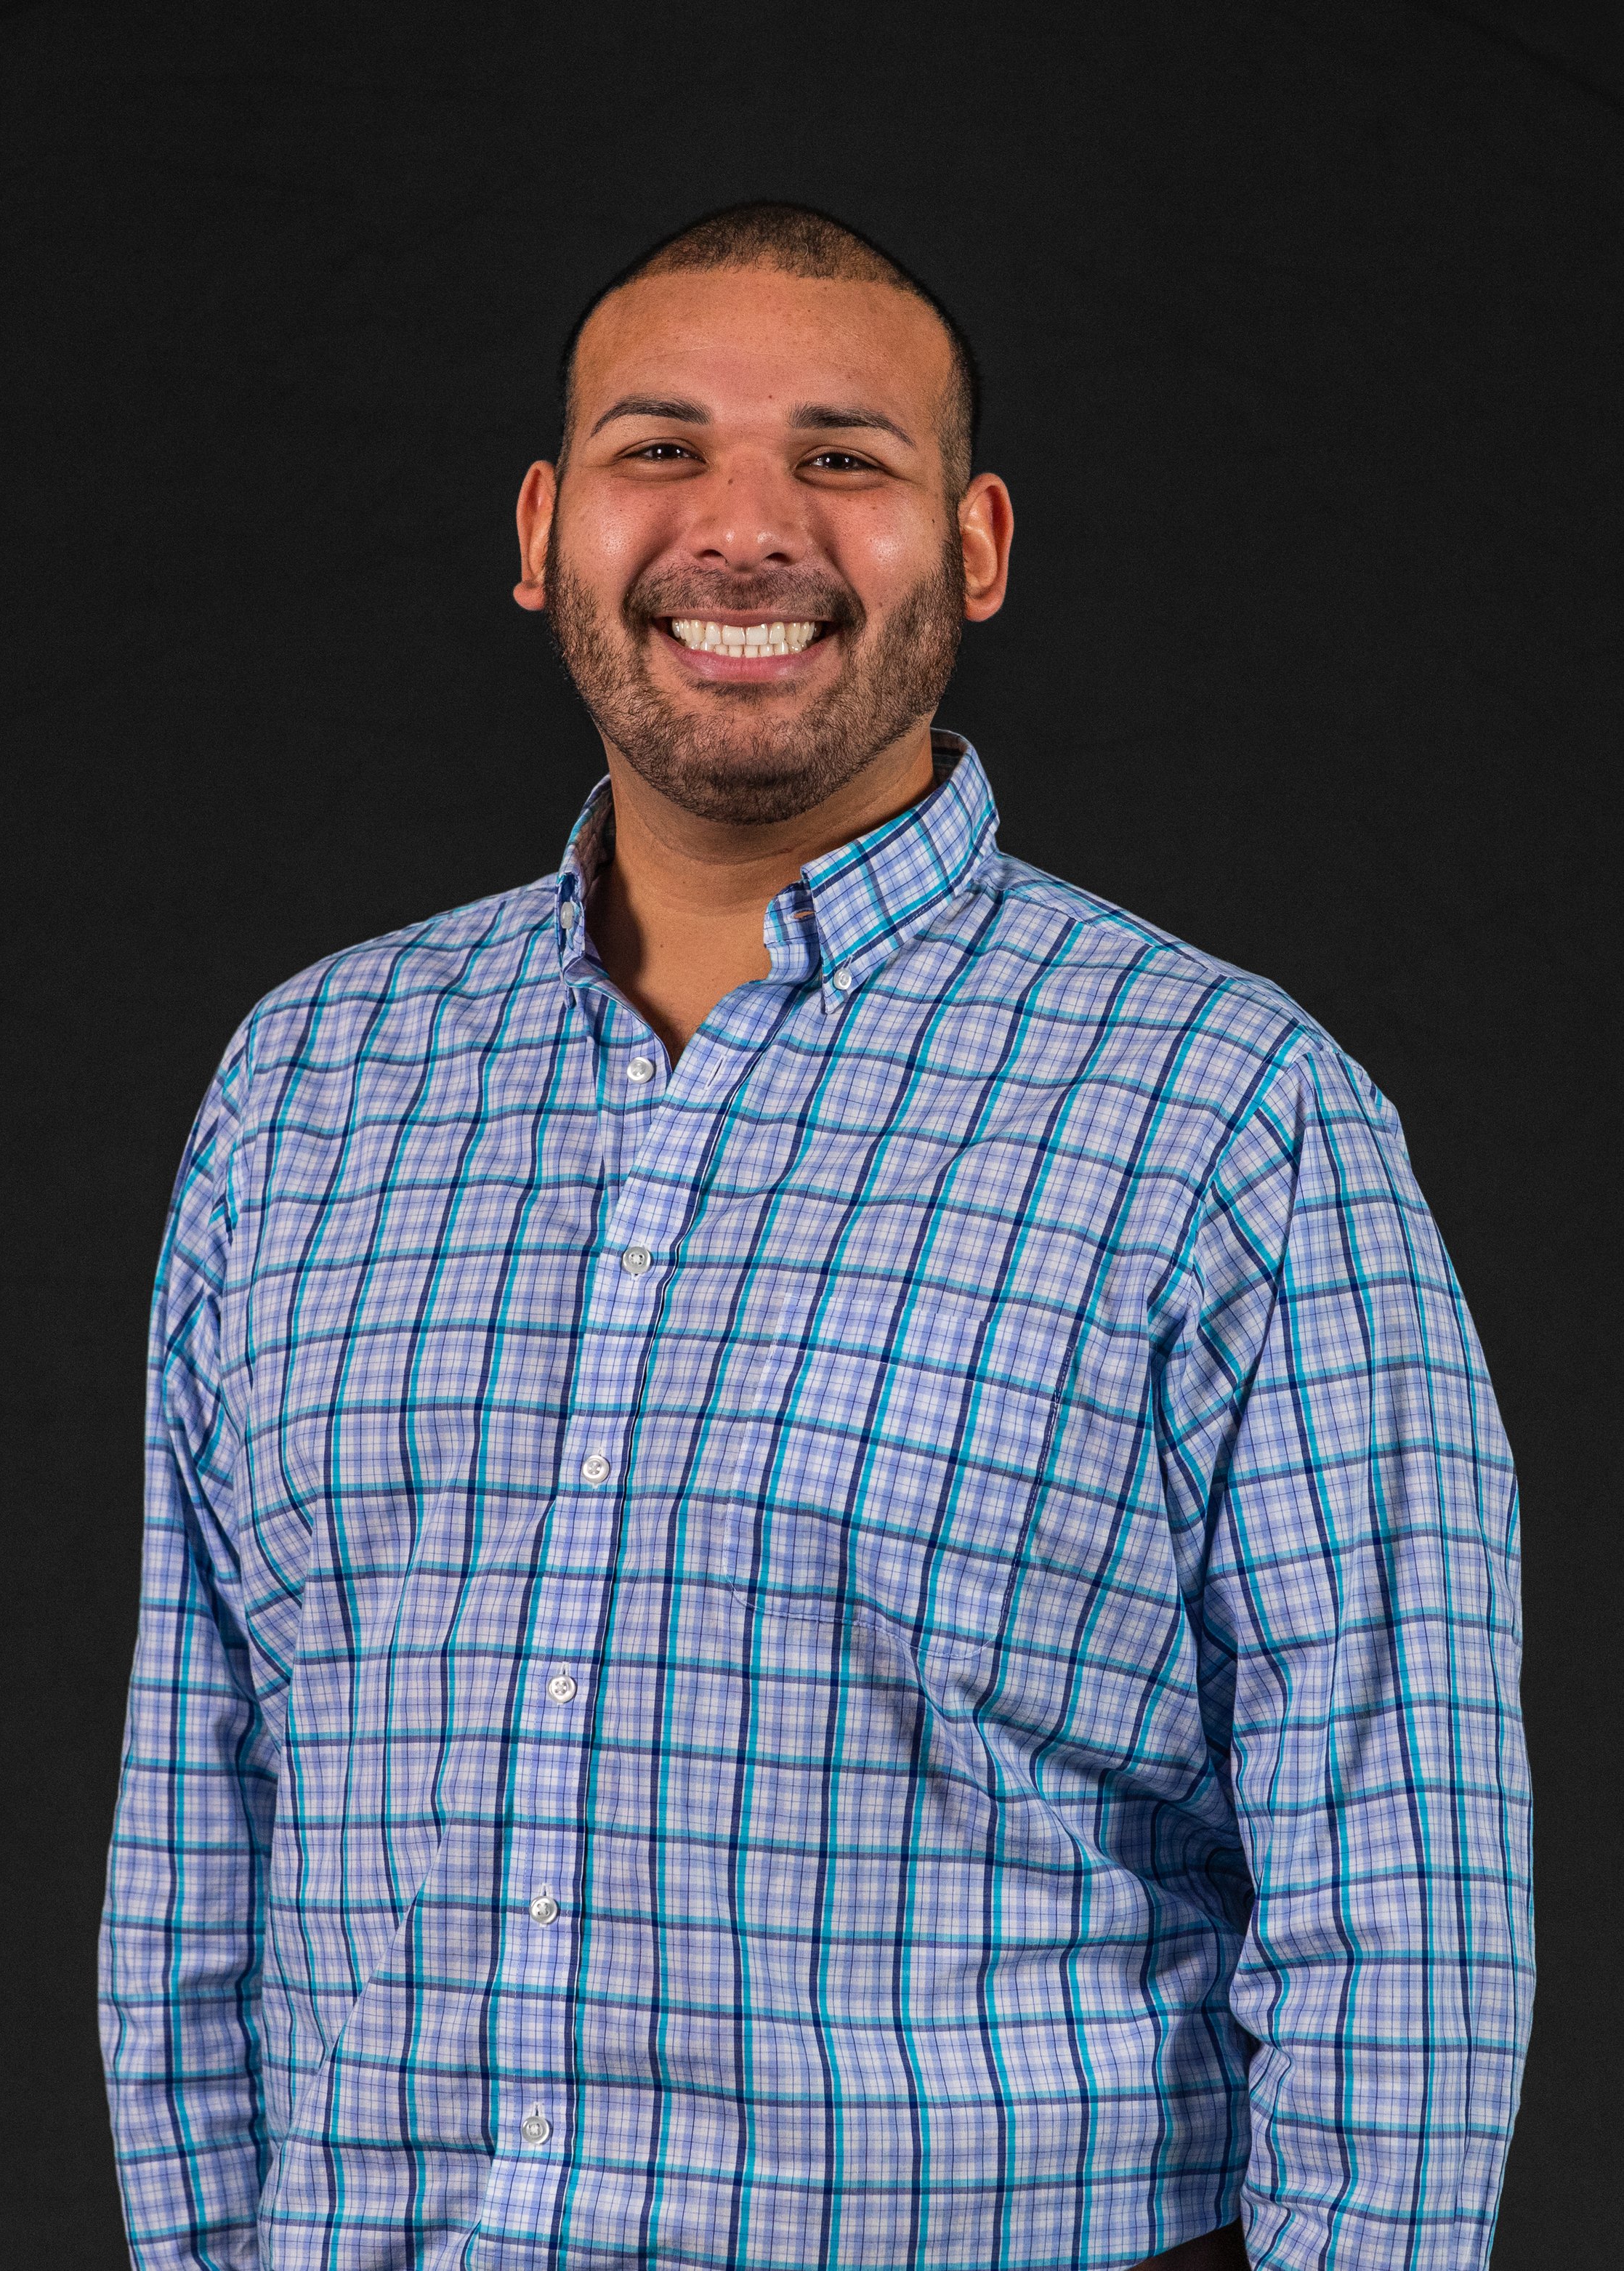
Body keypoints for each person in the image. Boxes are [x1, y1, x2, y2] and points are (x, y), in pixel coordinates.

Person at [100, 203, 1532, 2271]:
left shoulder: (1226, 1115)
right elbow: (200, 1813)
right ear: (542, 528)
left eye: (842, 460)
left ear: (973, 548)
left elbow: (1398, 1892)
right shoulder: (312, 1082)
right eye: (657, 447)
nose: (740, 529)